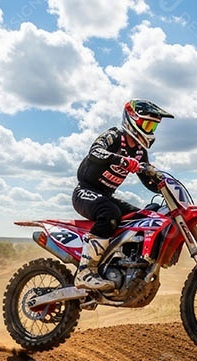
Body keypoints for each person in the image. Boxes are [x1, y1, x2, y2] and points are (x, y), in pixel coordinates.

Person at [72, 99, 173, 291]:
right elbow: (95, 152)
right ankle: (85, 271)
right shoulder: (114, 136)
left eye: (153, 126)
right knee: (110, 214)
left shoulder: (139, 151)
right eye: (147, 124)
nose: (150, 130)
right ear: (132, 119)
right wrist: (121, 160)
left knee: (143, 217)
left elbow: (148, 179)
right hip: (85, 192)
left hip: (105, 196)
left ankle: (125, 265)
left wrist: (163, 186)